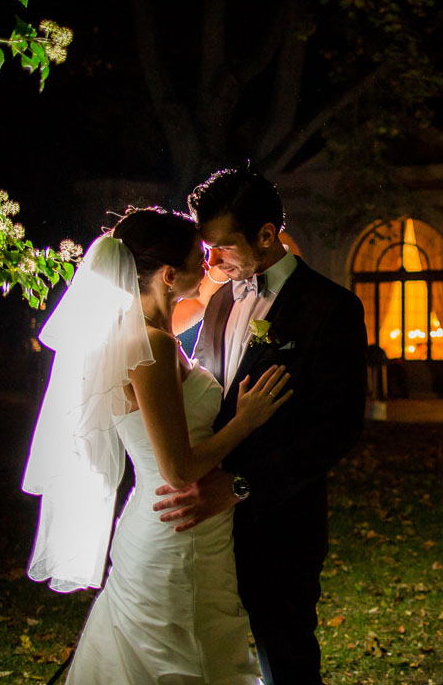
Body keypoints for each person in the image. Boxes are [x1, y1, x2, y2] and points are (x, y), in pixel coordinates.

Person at [23, 207, 291, 683]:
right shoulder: (153, 347)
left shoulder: (144, 329)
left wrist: (239, 262)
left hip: (163, 523)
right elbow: (180, 468)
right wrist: (245, 421)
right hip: (177, 527)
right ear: (169, 275)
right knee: (194, 659)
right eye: (200, 258)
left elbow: (197, 298)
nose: (209, 264)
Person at [153, 165, 367, 685]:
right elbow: (206, 390)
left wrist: (244, 485)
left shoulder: (331, 308)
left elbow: (338, 429)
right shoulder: (222, 297)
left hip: (282, 521)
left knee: (285, 654)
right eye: (206, 249)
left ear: (267, 236)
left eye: (222, 247)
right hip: (206, 518)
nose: (211, 261)